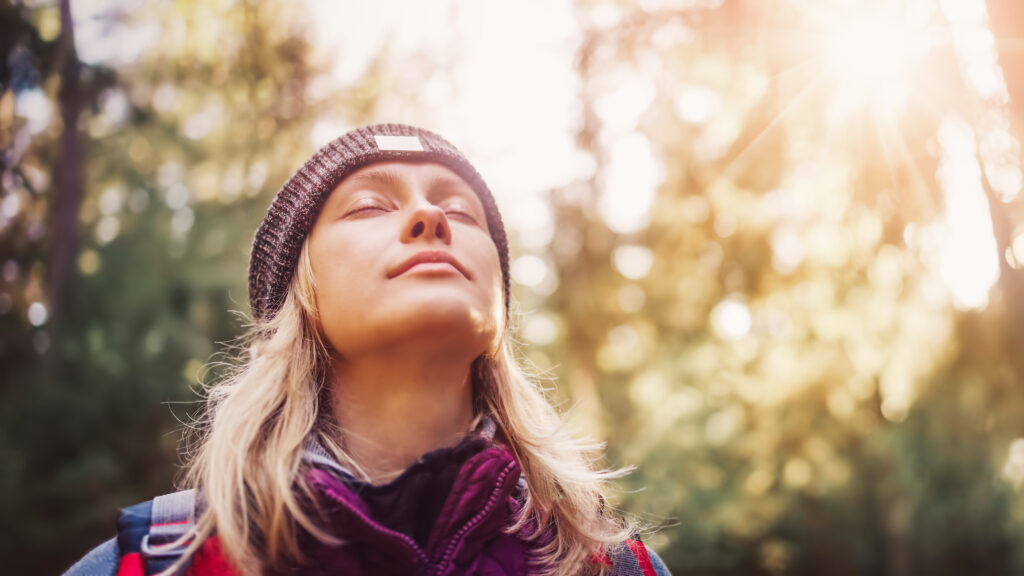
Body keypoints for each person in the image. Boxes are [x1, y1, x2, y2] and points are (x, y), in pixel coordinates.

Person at [65, 124, 670, 575]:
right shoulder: (154, 562)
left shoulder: (610, 565)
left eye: (462, 211)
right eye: (370, 206)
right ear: (299, 296)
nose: (431, 215)